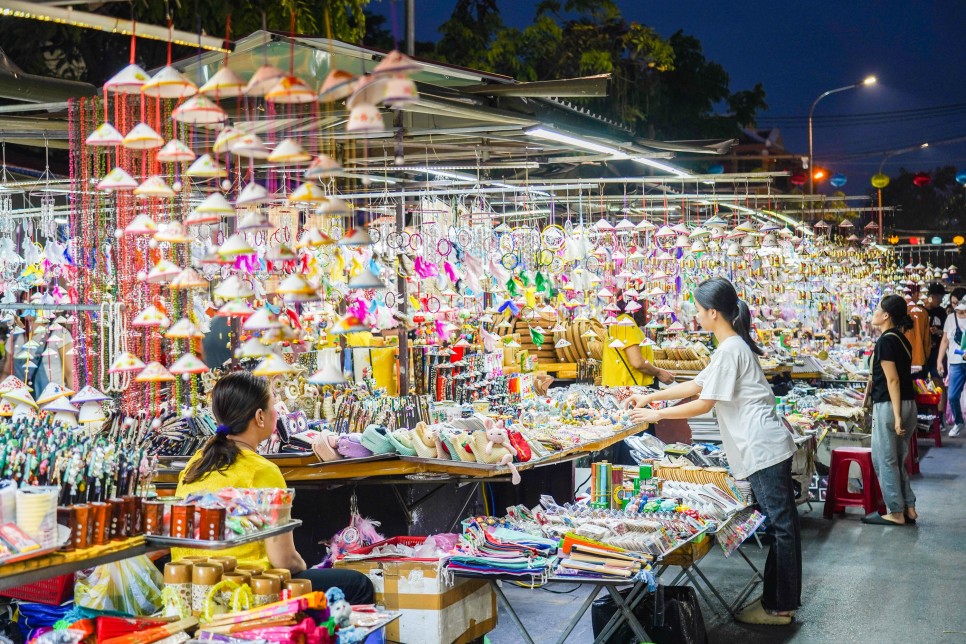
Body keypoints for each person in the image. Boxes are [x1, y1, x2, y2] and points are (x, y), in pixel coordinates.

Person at [623, 277, 801, 625]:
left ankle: (779, 607)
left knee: (781, 527)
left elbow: (704, 403)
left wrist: (657, 414)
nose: (696, 315)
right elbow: (696, 384)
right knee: (784, 525)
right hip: (763, 446)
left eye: (699, 310)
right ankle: (780, 603)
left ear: (714, 313)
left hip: (761, 449)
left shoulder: (732, 349)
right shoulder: (729, 349)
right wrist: (649, 397)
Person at [174, 371, 374, 604]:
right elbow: (283, 560)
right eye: (273, 404)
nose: (277, 411)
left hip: (193, 587)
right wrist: (305, 565)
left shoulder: (195, 464)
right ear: (260, 416)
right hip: (247, 589)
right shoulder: (262, 470)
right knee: (359, 585)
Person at [862, 294, 917, 525]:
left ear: (886, 315)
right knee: (896, 458)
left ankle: (895, 512)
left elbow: (892, 380)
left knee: (885, 459)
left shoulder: (885, 340)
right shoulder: (902, 339)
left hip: (890, 405)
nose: (873, 312)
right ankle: (909, 508)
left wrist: (895, 416)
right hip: (908, 404)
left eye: (877, 309)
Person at [937, 297, 966, 437]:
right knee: (953, 396)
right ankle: (958, 421)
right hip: (955, 363)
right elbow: (944, 341)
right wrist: (939, 360)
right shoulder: (950, 319)